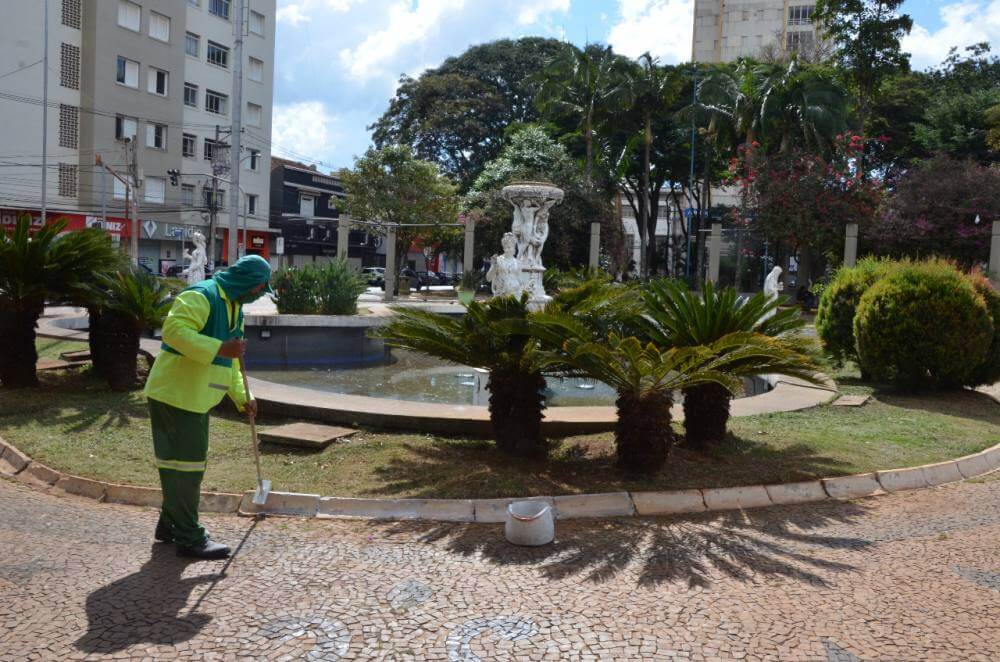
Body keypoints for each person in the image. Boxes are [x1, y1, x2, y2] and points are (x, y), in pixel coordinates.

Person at [143, 255, 273, 559]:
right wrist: (218, 347)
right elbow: (173, 331)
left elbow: (230, 364)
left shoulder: (234, 308)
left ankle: (169, 525)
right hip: (175, 396)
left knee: (182, 467)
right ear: (246, 283)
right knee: (185, 468)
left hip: (193, 398)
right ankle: (189, 538)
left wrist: (243, 398)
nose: (258, 295)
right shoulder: (201, 295)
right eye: (258, 288)